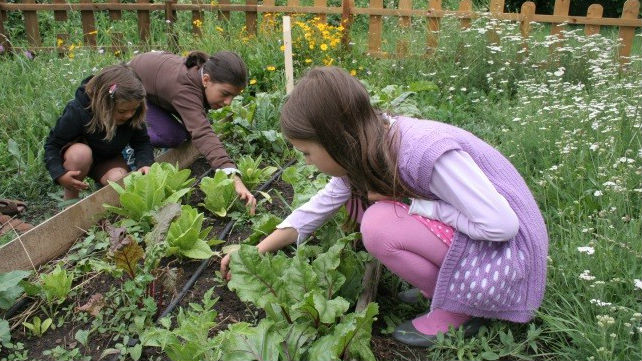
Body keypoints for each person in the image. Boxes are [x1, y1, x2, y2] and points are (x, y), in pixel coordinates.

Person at [220, 67, 549, 347]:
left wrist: (415, 205)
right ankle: (443, 290)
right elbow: (318, 208)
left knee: (379, 224)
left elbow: (502, 226)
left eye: (306, 153)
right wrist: (257, 251)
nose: (306, 162)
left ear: (336, 140)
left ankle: (460, 311)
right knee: (370, 212)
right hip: (483, 239)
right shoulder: (368, 147)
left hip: (510, 255)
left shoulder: (422, 152)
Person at [129, 50, 256, 214]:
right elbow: (202, 132)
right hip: (136, 88)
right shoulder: (184, 89)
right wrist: (233, 176)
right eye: (225, 94)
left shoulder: (200, 74)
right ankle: (129, 141)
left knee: (187, 133)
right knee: (173, 137)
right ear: (206, 80)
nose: (228, 102)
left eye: (233, 96)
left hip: (156, 84)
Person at [44, 64, 154, 201]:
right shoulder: (78, 111)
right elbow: (53, 144)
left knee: (119, 179)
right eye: (122, 111)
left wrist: (144, 164)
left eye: (134, 109)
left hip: (107, 159)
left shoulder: (132, 114)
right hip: (78, 159)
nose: (129, 115)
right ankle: (71, 202)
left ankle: (105, 200)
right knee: (80, 154)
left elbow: (142, 142)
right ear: (104, 103)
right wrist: (60, 174)